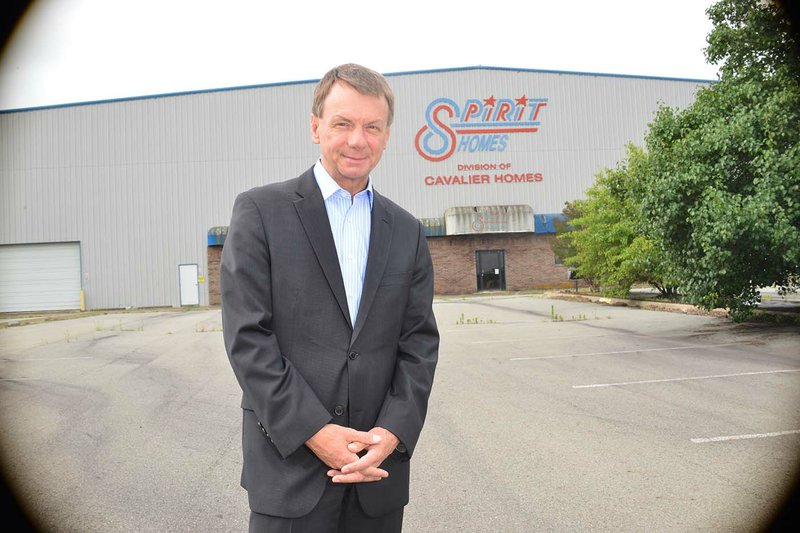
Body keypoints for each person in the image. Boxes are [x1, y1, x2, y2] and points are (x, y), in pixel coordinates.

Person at [220, 63, 440, 532]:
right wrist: (314, 432)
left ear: (386, 136)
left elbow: (418, 343)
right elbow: (247, 337)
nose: (357, 140)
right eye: (343, 123)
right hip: (289, 472)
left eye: (371, 127)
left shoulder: (406, 231)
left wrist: (393, 432)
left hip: (375, 476)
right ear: (316, 125)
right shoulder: (260, 212)